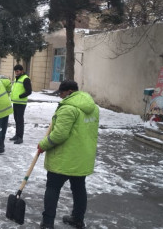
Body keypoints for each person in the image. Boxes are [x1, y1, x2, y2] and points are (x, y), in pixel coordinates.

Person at [37, 80, 99, 229]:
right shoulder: (93, 108)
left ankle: (47, 223)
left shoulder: (68, 109)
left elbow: (59, 135)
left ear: (70, 91)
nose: (61, 97)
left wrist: (43, 144)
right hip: (82, 157)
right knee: (78, 189)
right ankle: (78, 219)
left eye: (62, 93)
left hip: (63, 158)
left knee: (53, 188)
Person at [9, 64, 32, 144]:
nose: (16, 72)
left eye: (17, 71)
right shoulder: (17, 78)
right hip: (15, 102)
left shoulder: (25, 79)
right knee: (16, 119)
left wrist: (20, 96)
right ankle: (17, 135)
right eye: (15, 71)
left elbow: (29, 91)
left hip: (21, 103)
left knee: (20, 120)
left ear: (22, 71)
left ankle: (20, 137)